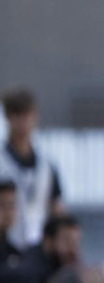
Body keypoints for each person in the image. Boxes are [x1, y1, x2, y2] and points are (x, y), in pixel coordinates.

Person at [0, 89, 65, 250]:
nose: (23, 122)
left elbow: (56, 207)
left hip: (40, 250)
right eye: (18, 115)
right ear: (8, 117)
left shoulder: (46, 166)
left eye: (27, 115)